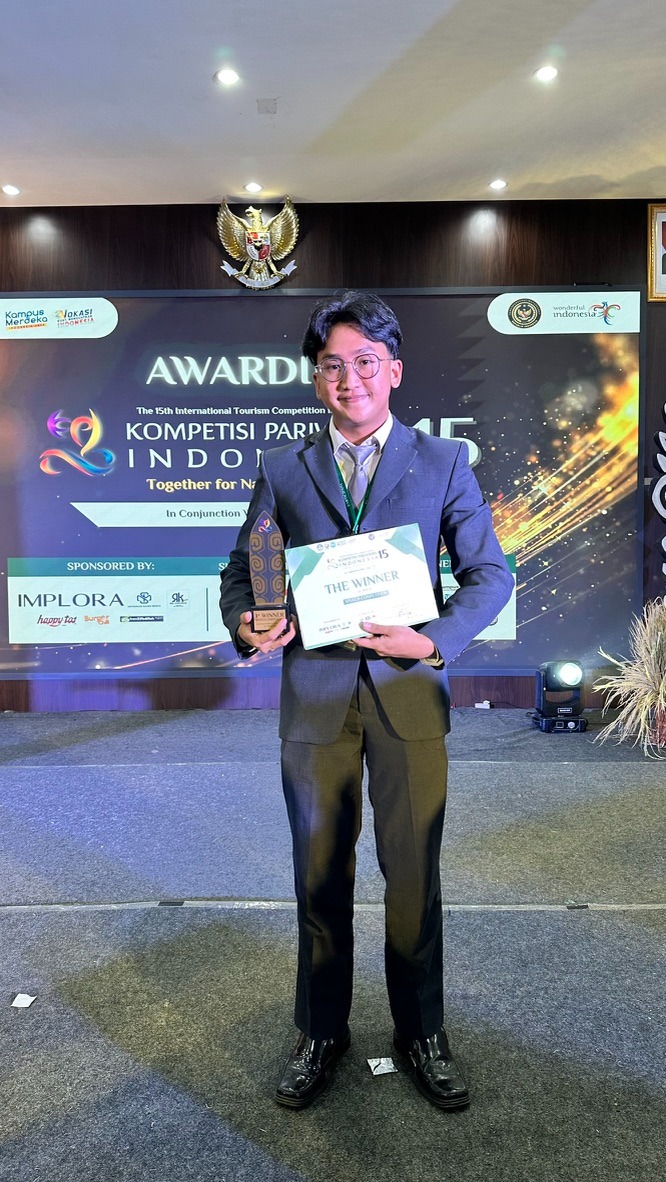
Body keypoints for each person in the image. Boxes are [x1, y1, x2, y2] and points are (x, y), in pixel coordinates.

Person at [219, 291, 513, 1112]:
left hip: (407, 697)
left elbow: (490, 575)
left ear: (394, 371)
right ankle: (322, 1030)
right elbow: (241, 573)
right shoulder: (283, 468)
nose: (348, 379)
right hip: (315, 701)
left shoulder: (442, 461)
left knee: (413, 877)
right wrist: (247, 620)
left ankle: (422, 1031)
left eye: (364, 362)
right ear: (317, 380)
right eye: (332, 366)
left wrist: (433, 640)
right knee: (319, 876)